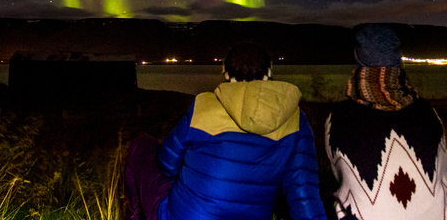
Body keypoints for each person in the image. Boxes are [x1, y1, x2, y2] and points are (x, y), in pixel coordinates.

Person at [124, 42, 327, 220]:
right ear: (269, 73)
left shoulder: (203, 106)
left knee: (141, 145)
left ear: (226, 73)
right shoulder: (295, 120)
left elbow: (166, 165)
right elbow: (304, 196)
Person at [324, 24, 447, 219]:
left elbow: (341, 178)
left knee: (330, 201)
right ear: (398, 61)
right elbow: (446, 179)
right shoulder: (428, 112)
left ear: (358, 59)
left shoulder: (338, 117)